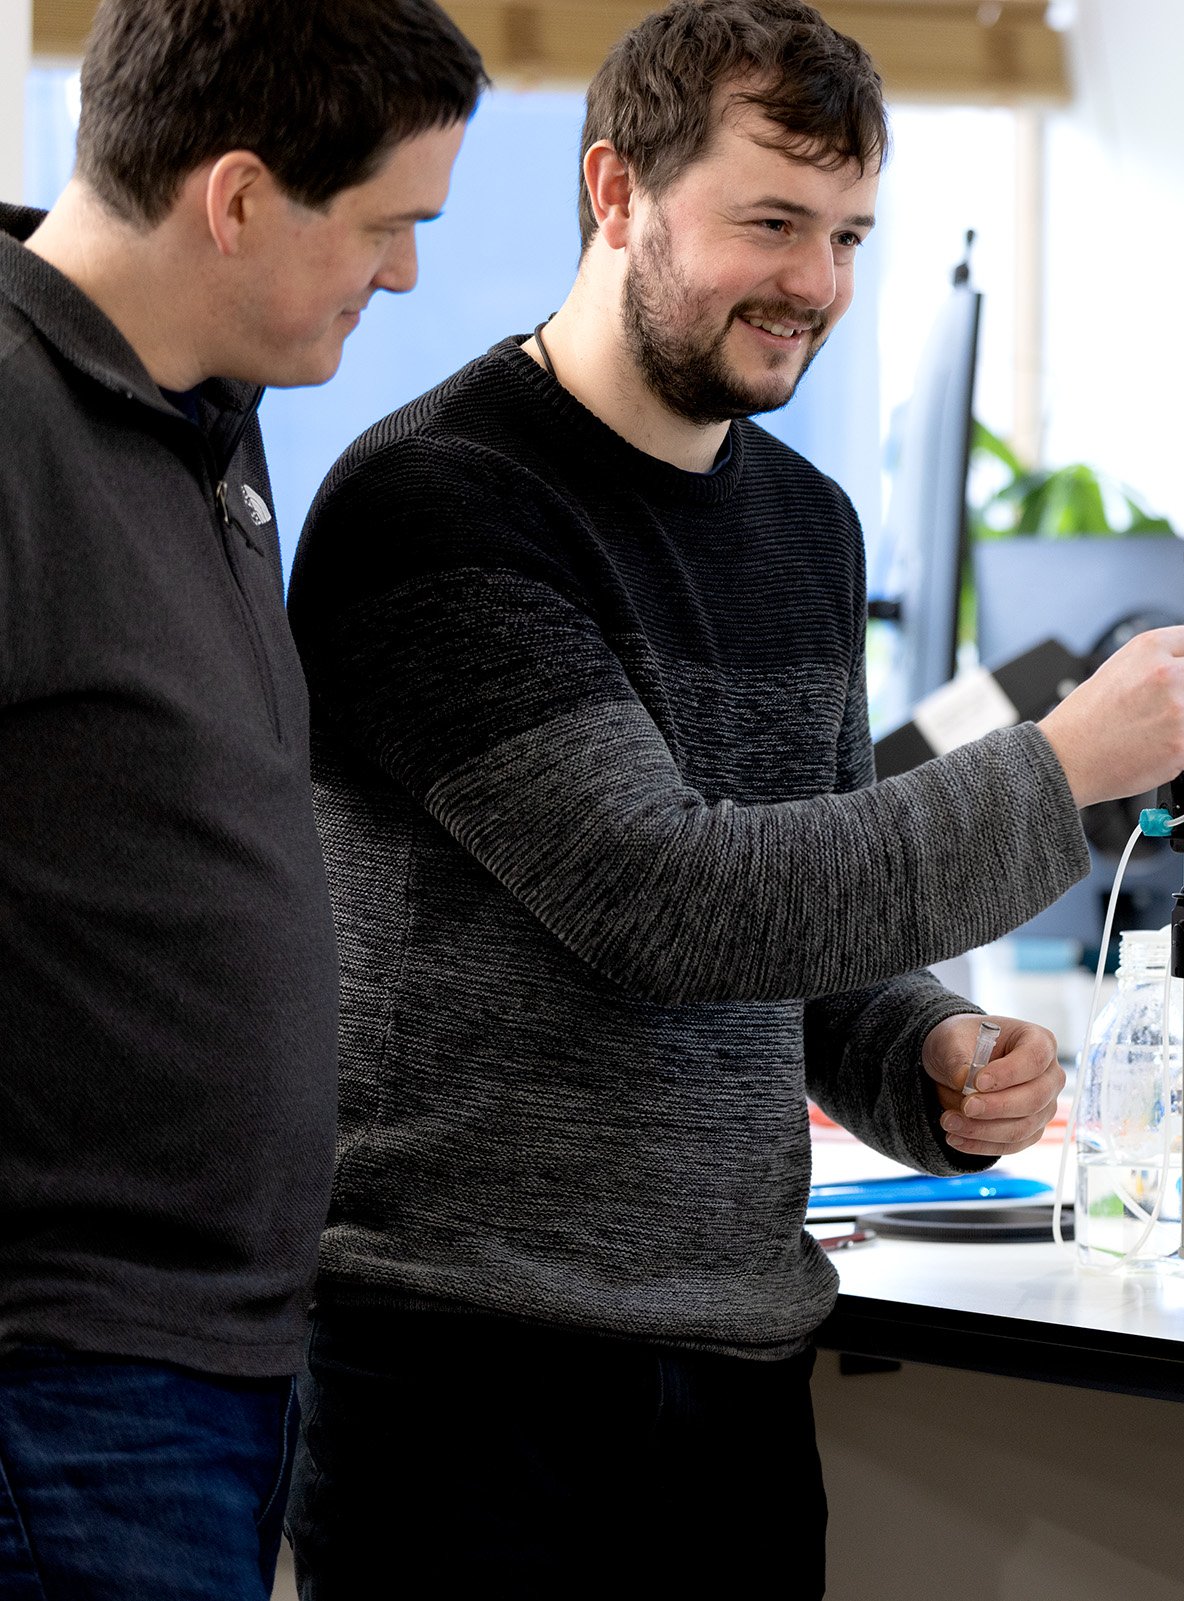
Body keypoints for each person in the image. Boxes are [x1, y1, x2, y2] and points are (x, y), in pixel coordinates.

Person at [278, 2, 1184, 1592]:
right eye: (774, 222)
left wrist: (916, 1051)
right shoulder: (434, 506)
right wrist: (1066, 764)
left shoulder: (806, 526)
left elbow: (799, 923)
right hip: (467, 1375)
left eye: (851, 234)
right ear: (615, 193)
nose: (818, 284)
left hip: (730, 1369)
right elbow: (672, 902)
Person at [0, 2, 484, 1594]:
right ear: (235, 198)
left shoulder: (206, 419)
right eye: (386, 226)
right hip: (62, 1375)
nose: (404, 274)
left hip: (208, 1361)